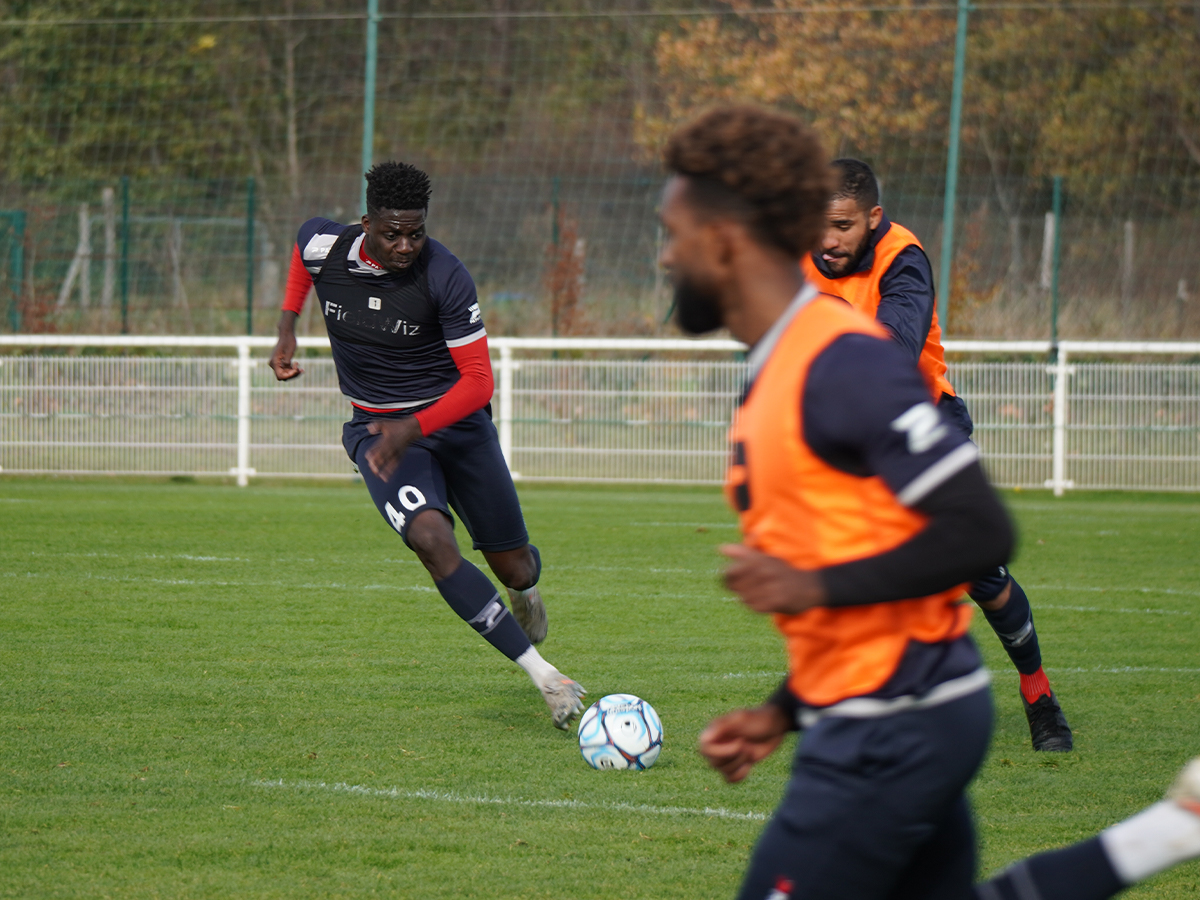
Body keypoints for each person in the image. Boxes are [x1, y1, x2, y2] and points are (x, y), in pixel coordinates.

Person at [659, 104, 1200, 900]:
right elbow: (858, 586)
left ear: (729, 240)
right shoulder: (780, 362)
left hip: (893, 726)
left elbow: (980, 529)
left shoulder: (841, 361)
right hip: (885, 705)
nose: (666, 258)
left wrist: (813, 587)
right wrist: (781, 712)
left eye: (674, 234)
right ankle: (1171, 830)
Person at [267, 161, 585, 729]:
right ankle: (545, 676)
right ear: (365, 223)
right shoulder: (325, 244)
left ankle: (528, 590)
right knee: (431, 538)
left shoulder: (446, 275)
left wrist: (415, 426)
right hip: (378, 433)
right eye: (392, 233)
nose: (406, 245)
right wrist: (288, 323)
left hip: (457, 428)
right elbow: (301, 252)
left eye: (416, 232)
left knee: (513, 568)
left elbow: (479, 381)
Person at [799, 158, 1071, 752]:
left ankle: (1038, 692)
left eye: (842, 226)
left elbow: (892, 351)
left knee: (982, 577)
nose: (828, 240)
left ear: (872, 219)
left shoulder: (903, 258)